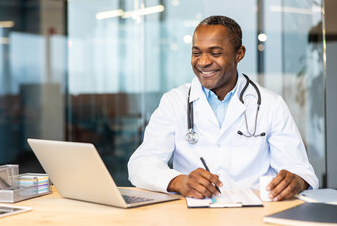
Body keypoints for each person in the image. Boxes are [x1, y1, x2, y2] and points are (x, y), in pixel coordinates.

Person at [128, 15, 318, 201]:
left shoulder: (271, 104)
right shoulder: (174, 102)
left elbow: (300, 170)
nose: (203, 62)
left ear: (239, 54)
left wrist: (297, 182)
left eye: (215, 53)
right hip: (192, 215)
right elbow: (140, 165)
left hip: (254, 215)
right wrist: (178, 181)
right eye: (196, 53)